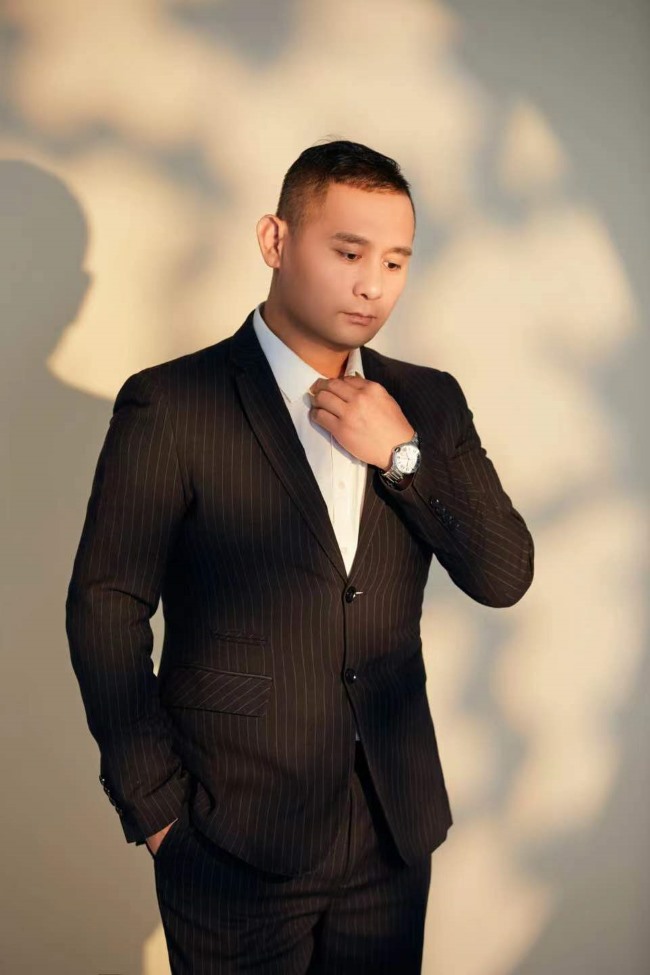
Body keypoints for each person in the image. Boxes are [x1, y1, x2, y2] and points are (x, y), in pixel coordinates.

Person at [66, 139, 534, 974]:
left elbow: (503, 576)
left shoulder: (428, 401)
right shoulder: (172, 403)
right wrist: (159, 809)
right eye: (349, 252)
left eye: (395, 260)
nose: (373, 284)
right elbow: (106, 603)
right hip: (230, 833)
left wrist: (403, 458)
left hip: (391, 830)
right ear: (275, 241)